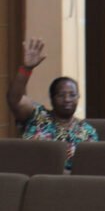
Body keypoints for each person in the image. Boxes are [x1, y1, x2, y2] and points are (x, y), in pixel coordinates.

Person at [6, 38, 97, 169]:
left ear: (78, 97)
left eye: (72, 95)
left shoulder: (87, 132)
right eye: (61, 95)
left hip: (69, 181)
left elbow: (91, 168)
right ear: (52, 98)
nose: (67, 99)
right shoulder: (36, 115)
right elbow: (14, 99)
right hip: (31, 176)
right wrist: (26, 69)